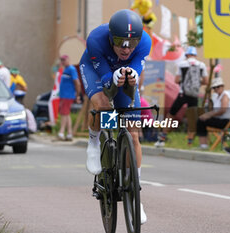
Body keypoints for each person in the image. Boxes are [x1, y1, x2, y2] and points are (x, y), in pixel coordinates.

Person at [79, 9, 151, 224]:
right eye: (120, 42)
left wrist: (132, 75)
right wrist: (113, 78)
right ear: (111, 37)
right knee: (102, 106)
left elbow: (136, 67)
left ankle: (135, 192)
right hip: (96, 69)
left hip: (123, 74)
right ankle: (93, 142)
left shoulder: (145, 42)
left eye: (131, 43)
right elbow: (106, 81)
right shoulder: (95, 40)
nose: (126, 49)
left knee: (133, 132)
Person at [154, 46, 208, 147]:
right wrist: (195, 83)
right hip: (194, 95)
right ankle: (189, 143)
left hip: (182, 94)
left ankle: (162, 138)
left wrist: (185, 81)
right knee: (192, 118)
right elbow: (205, 81)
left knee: (171, 114)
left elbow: (176, 80)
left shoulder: (182, 64)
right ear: (195, 55)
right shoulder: (202, 65)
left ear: (187, 55)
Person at [196, 77, 230, 149]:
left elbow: (222, 110)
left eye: (218, 87)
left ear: (222, 86)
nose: (216, 89)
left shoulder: (225, 95)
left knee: (201, 121)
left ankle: (203, 145)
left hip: (227, 121)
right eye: (214, 87)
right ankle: (203, 144)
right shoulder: (217, 97)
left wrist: (209, 115)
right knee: (201, 119)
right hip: (221, 120)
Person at [58, 55, 81, 141]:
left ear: (68, 60)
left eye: (64, 60)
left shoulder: (71, 69)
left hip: (68, 95)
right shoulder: (65, 69)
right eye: (62, 60)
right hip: (64, 95)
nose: (63, 62)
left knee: (64, 113)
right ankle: (69, 134)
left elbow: (77, 83)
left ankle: (61, 132)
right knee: (66, 114)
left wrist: (77, 95)